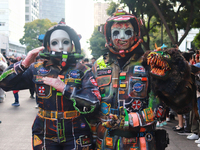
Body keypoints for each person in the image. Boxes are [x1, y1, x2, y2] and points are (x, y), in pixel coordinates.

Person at [0, 23, 100, 150]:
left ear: (72, 45)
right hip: (44, 132)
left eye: (65, 42)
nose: (60, 46)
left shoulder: (83, 70)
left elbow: (93, 102)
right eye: (54, 43)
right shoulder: (36, 69)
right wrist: (24, 63)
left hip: (76, 132)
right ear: (47, 46)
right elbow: (4, 83)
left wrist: (65, 89)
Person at [92, 9, 168, 150]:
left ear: (135, 35)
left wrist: (129, 120)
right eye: (116, 33)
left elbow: (160, 108)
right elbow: (91, 105)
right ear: (108, 36)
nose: (122, 38)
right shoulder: (99, 65)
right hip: (106, 142)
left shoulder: (149, 64)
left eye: (127, 32)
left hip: (140, 142)